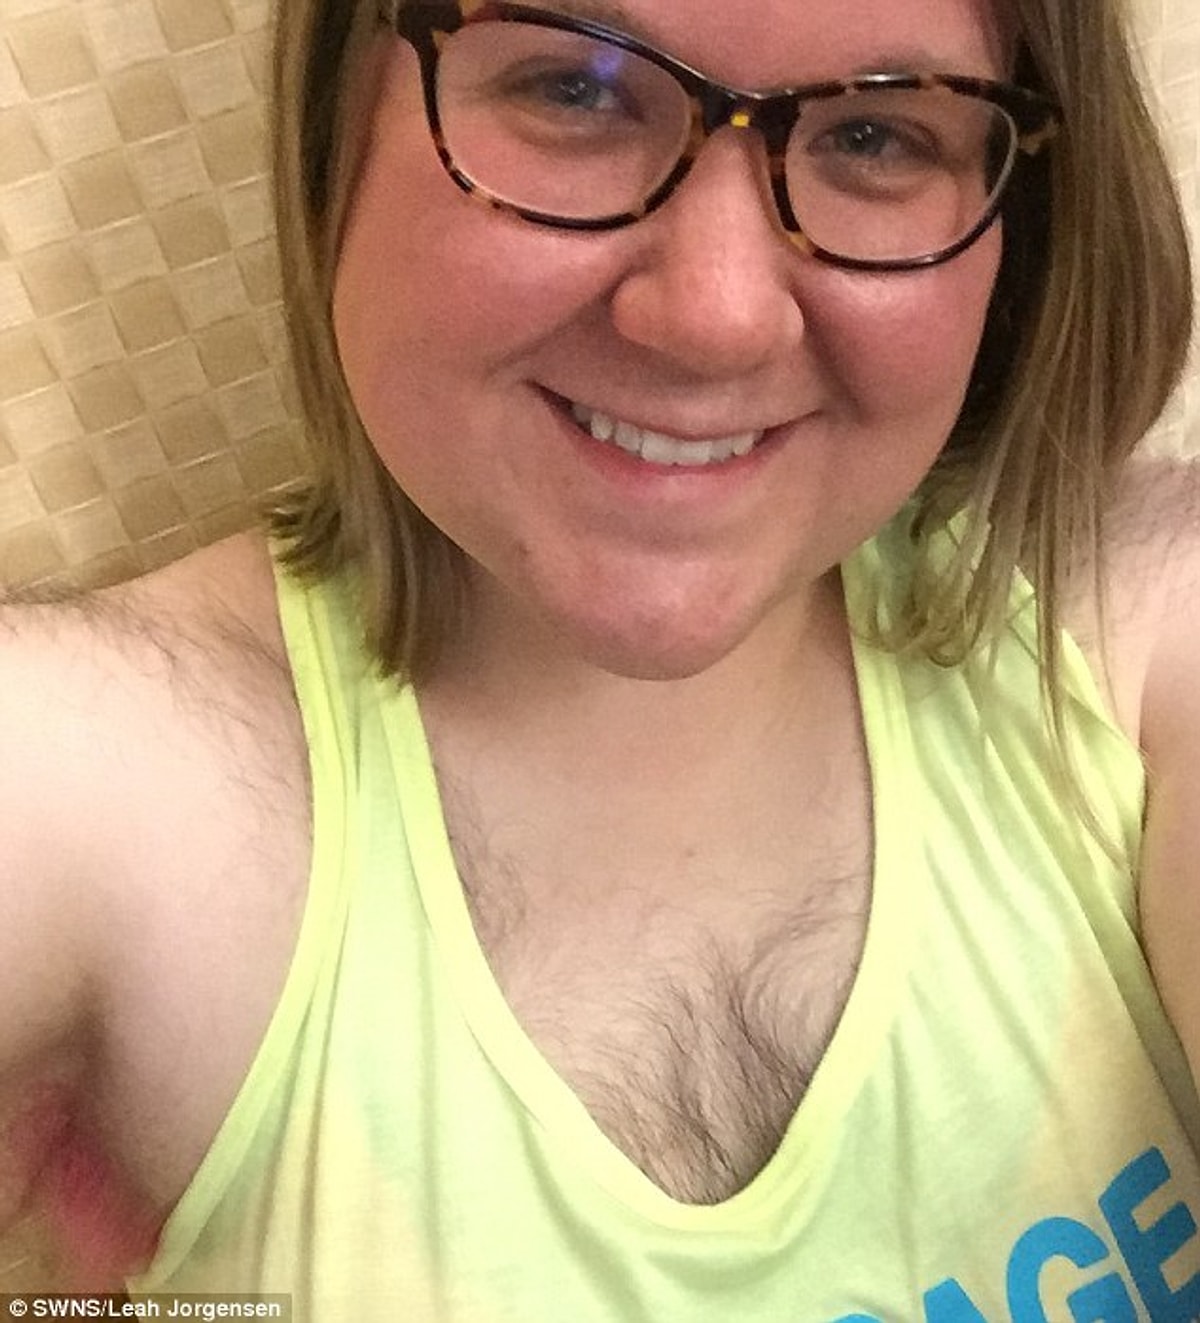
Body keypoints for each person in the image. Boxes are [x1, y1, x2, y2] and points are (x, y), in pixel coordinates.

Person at [1, 0, 1198, 1316]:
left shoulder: (1133, 632)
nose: (717, 315)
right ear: (338, 122)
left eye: (875, 136)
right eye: (573, 89)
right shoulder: (91, 780)